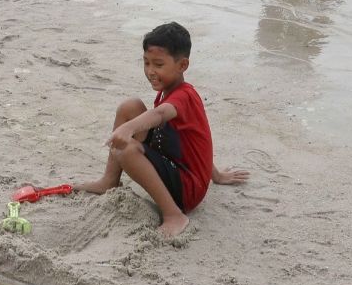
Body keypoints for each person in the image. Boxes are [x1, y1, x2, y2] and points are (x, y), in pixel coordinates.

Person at [77, 22, 249, 237]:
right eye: (146, 63)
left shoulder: (184, 96)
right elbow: (194, 142)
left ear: (182, 65)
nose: (150, 71)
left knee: (127, 149)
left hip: (187, 191)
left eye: (158, 64)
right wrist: (216, 174)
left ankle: (173, 214)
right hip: (175, 162)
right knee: (130, 106)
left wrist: (127, 129)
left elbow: (159, 115)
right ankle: (109, 180)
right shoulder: (167, 90)